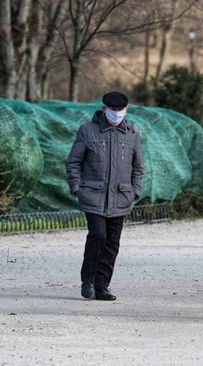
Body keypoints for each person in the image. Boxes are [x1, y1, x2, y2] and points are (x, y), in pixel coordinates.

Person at [66, 92, 143, 300]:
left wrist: (134, 191)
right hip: (93, 195)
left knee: (112, 242)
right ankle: (88, 281)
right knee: (98, 235)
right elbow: (73, 162)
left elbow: (138, 167)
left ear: (126, 110)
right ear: (104, 109)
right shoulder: (87, 131)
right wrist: (77, 188)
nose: (117, 113)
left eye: (121, 110)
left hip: (121, 197)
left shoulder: (132, 133)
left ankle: (102, 285)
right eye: (113, 110)